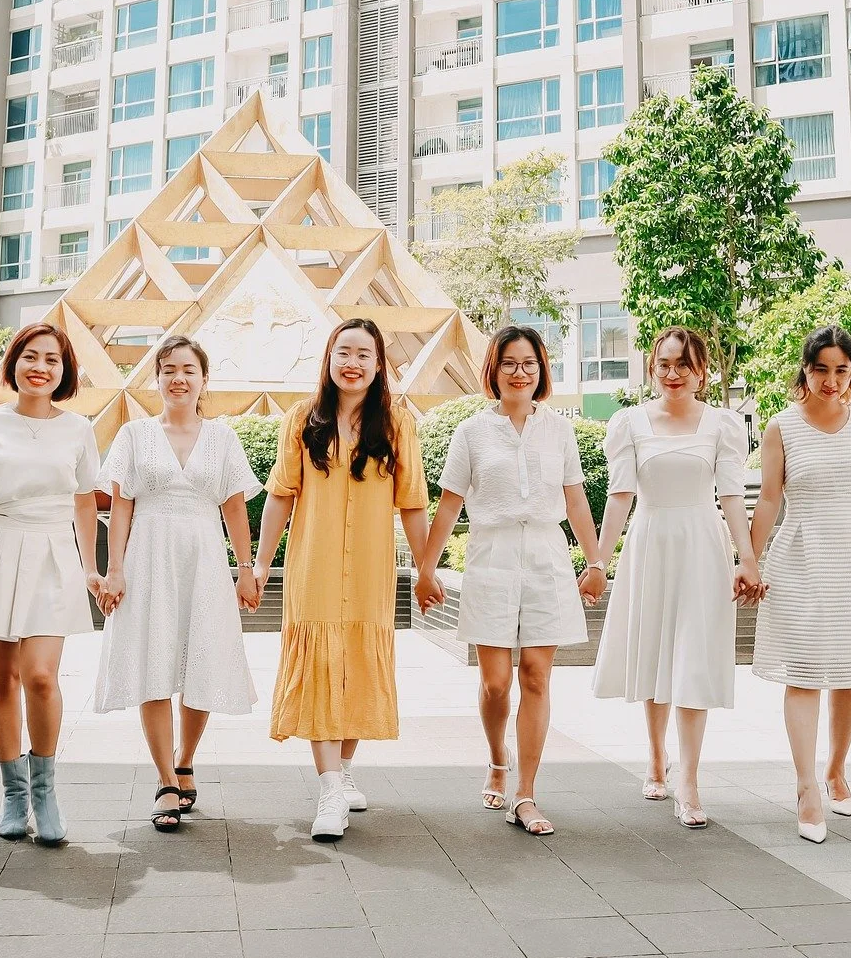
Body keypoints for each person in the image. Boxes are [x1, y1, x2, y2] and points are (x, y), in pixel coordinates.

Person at [245, 318, 431, 843]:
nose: (352, 363)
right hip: (314, 569)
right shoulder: (302, 420)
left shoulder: (397, 424)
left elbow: (412, 502)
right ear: (329, 359)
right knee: (322, 668)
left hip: (372, 571)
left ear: (378, 365)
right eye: (343, 352)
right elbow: (281, 495)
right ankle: (329, 787)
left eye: (364, 354)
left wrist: (424, 567)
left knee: (357, 667)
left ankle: (343, 768)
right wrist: (260, 564)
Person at [418, 325, 607, 836]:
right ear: (493, 371)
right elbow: (451, 502)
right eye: (509, 363)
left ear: (541, 369)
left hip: (546, 557)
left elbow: (574, 500)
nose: (519, 372)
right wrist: (426, 569)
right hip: (491, 556)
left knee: (537, 678)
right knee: (496, 681)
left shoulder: (560, 431)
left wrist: (595, 561)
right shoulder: (472, 432)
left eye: (528, 363)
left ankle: (525, 792)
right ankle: (496, 758)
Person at [592, 327, 765, 829]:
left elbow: (732, 495)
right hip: (650, 544)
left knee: (693, 657)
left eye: (684, 365)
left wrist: (748, 556)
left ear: (702, 372)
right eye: (664, 364)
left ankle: (688, 778)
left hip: (702, 547)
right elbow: (620, 497)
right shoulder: (628, 423)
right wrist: (600, 561)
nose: (673, 374)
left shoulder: (723, 425)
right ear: (651, 368)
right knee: (654, 652)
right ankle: (653, 757)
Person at [747, 326, 851, 844]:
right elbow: (769, 500)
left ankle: (836, 769)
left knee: (847, 672)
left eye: (842, 370)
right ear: (806, 369)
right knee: (804, 673)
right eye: (822, 369)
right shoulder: (781, 427)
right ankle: (805, 788)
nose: (831, 380)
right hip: (799, 556)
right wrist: (749, 559)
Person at [0, 323, 101, 847]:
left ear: (64, 371)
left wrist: (91, 568)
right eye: (31, 357)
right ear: (15, 364)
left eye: (52, 360)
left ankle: (46, 791)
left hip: (53, 553)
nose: (40, 368)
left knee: (41, 676)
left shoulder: (78, 429)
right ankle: (13, 795)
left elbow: (83, 501)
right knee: (2, 677)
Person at [94, 336, 261, 831]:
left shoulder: (224, 439)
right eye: (168, 370)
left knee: (202, 659)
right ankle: (166, 779)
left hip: (205, 558)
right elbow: (120, 505)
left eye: (188, 370)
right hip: (148, 555)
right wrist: (116, 568)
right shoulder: (133, 436)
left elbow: (234, 506)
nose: (178, 379)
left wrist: (246, 568)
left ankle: (186, 759)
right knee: (153, 659)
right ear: (158, 378)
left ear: (203, 379)